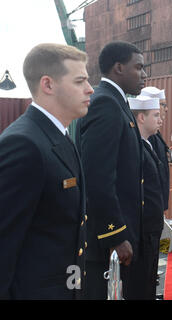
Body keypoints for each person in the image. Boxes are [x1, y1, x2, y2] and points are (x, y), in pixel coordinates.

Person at [0, 43, 93, 299]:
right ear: (48, 85)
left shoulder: (58, 136)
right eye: (79, 81)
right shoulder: (24, 144)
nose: (90, 89)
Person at [76, 41, 147, 299]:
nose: (144, 74)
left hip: (121, 234)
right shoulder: (105, 103)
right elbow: (97, 178)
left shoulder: (117, 102)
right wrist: (115, 234)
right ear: (118, 67)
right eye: (138, 67)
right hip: (109, 241)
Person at [129, 95, 165, 300]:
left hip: (152, 224)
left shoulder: (147, 144)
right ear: (141, 117)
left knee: (150, 278)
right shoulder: (135, 148)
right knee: (141, 281)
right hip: (143, 227)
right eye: (156, 115)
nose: (160, 119)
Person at [140, 86, 170, 212]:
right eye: (163, 105)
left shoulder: (155, 133)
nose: (166, 109)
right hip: (151, 204)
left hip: (158, 201)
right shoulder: (149, 135)